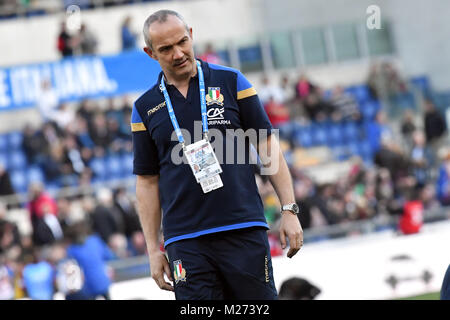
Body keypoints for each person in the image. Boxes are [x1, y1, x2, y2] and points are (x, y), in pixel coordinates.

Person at [132, 9, 303, 300]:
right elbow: (147, 182)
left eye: (182, 42)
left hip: (243, 228)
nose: (177, 53)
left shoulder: (232, 81)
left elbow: (266, 146)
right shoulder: (144, 107)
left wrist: (289, 209)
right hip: (184, 242)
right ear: (150, 53)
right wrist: (152, 249)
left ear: (192, 35)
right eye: (166, 49)